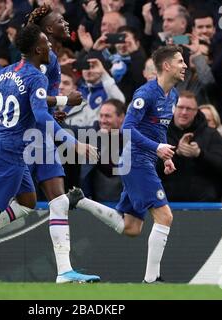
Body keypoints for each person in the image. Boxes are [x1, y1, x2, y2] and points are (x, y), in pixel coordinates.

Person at [0, 23, 98, 282]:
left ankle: (64, 271)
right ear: (37, 47)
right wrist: (72, 142)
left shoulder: (6, 71)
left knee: (28, 202)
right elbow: (42, 113)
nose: (51, 45)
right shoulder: (36, 76)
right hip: (13, 148)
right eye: (46, 41)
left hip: (5, 142)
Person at [66, 45, 187, 283]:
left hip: (147, 161)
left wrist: (166, 155)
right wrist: (156, 148)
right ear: (166, 66)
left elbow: (159, 129)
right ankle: (151, 281)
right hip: (136, 161)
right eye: (180, 61)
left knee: (131, 227)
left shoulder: (172, 95)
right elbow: (128, 129)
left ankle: (81, 201)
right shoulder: (146, 94)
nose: (184, 66)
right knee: (165, 217)